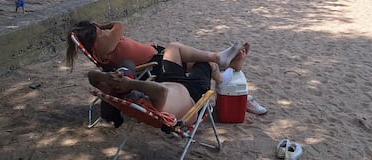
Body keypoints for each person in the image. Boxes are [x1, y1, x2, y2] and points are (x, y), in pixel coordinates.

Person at [86, 42, 252, 125]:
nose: (119, 76)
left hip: (170, 82)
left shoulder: (115, 91)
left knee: (173, 47)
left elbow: (91, 76)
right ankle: (223, 77)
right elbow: (161, 92)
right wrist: (130, 83)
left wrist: (109, 77)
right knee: (206, 65)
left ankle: (218, 57)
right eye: (120, 77)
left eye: (119, 74)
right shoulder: (145, 96)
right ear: (123, 85)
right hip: (192, 98)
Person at [66, 21, 244, 72]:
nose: (103, 31)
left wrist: (146, 46)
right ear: (93, 32)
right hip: (153, 65)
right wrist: (104, 26)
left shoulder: (103, 46)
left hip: (154, 56)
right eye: (98, 29)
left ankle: (228, 65)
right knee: (202, 62)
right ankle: (221, 62)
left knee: (200, 60)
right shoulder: (103, 46)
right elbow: (119, 25)